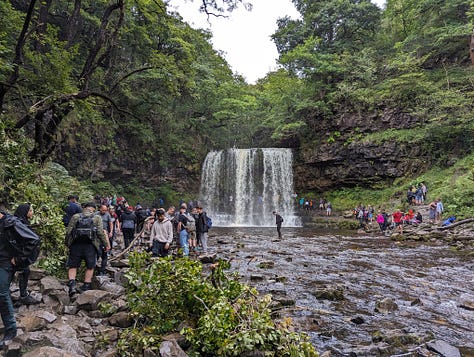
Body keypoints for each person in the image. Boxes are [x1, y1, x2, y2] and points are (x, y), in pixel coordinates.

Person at [0, 209, 41, 346]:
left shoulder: (11, 223)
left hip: (5, 262)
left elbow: (33, 239)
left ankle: (11, 330)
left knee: (2, 293)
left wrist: (19, 258)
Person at [65, 202, 110, 296]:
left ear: (84, 208)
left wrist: (67, 244)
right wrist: (106, 244)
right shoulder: (97, 218)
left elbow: (69, 231)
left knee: (73, 265)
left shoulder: (76, 216)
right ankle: (86, 286)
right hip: (91, 245)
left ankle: (72, 284)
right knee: (90, 266)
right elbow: (100, 233)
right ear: (94, 209)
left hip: (76, 244)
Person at [13, 204, 40, 305]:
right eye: (31, 211)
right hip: (16, 256)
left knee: (25, 271)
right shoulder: (19, 224)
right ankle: (23, 296)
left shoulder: (20, 221)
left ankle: (23, 295)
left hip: (18, 255)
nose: (32, 213)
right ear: (26, 212)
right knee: (23, 272)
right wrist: (19, 257)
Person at [96, 205, 114, 275]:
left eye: (105, 210)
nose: (104, 211)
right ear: (100, 209)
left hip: (105, 234)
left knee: (104, 254)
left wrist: (111, 231)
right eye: (103, 210)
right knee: (98, 253)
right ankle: (94, 268)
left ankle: (102, 270)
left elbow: (110, 223)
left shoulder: (107, 215)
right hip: (97, 235)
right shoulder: (96, 214)